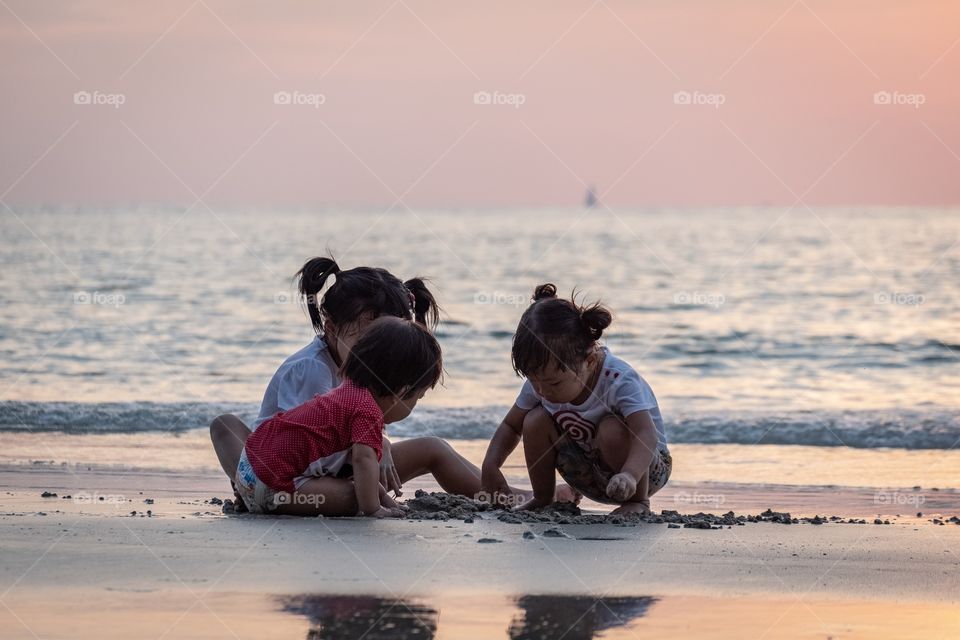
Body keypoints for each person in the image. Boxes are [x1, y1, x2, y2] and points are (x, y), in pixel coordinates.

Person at [481, 284, 671, 514]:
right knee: (534, 419)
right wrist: (491, 464)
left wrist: (630, 474)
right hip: (587, 472)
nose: (541, 391)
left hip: (642, 471)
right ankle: (543, 498)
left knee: (611, 427)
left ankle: (638, 503)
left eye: (553, 384)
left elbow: (645, 435)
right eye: (534, 381)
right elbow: (511, 426)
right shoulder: (542, 381)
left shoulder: (619, 380)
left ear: (589, 362)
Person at [234, 316, 444, 516]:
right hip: (270, 485)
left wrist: (385, 500)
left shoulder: (349, 390)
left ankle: (254, 498)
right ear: (400, 393)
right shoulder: (367, 411)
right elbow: (363, 460)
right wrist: (372, 509)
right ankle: (264, 502)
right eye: (418, 398)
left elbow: (362, 468)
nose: (414, 405)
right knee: (354, 497)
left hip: (247, 468)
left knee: (363, 483)